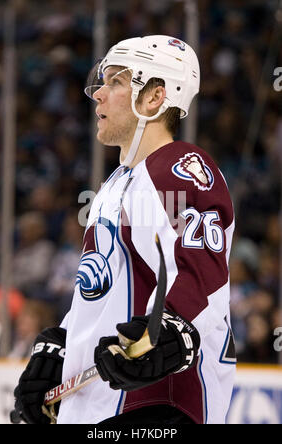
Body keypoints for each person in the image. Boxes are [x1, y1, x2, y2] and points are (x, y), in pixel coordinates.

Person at [13, 35, 236, 425]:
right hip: (101, 405)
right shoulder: (117, 183)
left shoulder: (177, 165)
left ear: (153, 97)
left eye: (115, 81)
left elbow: (198, 271)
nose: (98, 93)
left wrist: (172, 330)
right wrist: (61, 350)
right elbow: (101, 294)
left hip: (154, 403)